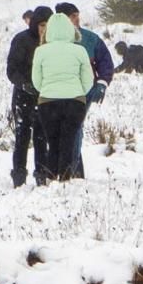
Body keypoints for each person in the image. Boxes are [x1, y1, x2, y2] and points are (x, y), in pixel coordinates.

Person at [54, 2, 115, 178]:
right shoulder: (52, 40)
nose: (77, 19)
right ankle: (68, 168)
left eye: (77, 15)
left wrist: (102, 83)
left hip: (85, 90)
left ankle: (72, 171)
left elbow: (105, 62)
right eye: (73, 16)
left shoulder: (90, 38)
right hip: (59, 89)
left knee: (75, 128)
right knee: (62, 129)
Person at [31, 13, 94, 181]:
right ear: (70, 30)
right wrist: (78, 92)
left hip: (48, 102)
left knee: (52, 141)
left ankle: (51, 176)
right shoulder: (80, 50)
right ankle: (65, 178)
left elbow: (36, 81)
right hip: (74, 101)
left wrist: (48, 90)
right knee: (68, 141)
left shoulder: (40, 51)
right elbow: (89, 79)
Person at [6, 6, 53, 187]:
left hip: (44, 96)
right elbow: (11, 70)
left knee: (42, 137)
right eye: (42, 25)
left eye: (48, 25)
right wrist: (25, 84)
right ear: (35, 24)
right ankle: (19, 175)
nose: (44, 29)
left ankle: (41, 174)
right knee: (22, 136)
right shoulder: (22, 40)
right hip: (23, 96)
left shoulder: (52, 43)